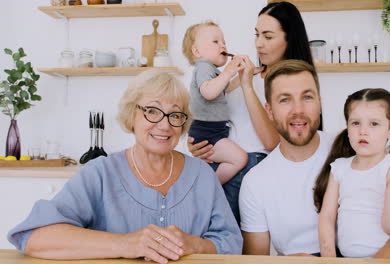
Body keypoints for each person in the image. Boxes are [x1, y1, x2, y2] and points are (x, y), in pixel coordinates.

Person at [7, 70, 242, 263]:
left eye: (175, 115)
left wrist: (195, 244)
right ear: (132, 115)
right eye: (152, 111)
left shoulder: (202, 175)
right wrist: (126, 243)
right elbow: (36, 237)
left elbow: (232, 243)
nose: (164, 125)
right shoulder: (100, 173)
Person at [239, 59, 390, 258]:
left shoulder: (357, 148)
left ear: (319, 103)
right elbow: (256, 259)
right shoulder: (256, 182)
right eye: (285, 99)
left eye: (307, 97)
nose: (298, 110)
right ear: (270, 110)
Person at [188, 1, 320, 224]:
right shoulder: (246, 75)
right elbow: (214, 113)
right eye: (257, 34)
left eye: (268, 37)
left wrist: (247, 85)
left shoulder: (292, 84)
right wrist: (198, 144)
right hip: (223, 165)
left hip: (254, 168)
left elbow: (271, 142)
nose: (259, 44)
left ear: (289, 39)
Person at [315, 88, 390, 258]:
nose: (363, 131)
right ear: (347, 127)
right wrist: (329, 259)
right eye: (355, 123)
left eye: (374, 124)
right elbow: (327, 217)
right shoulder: (339, 168)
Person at [182, 21, 248, 184]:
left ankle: (208, 183)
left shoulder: (213, 71)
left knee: (236, 158)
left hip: (212, 130)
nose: (223, 45)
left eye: (224, 41)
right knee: (240, 158)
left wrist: (244, 75)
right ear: (197, 51)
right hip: (207, 131)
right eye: (216, 41)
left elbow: (225, 88)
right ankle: (211, 186)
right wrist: (229, 71)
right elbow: (209, 92)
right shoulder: (204, 68)